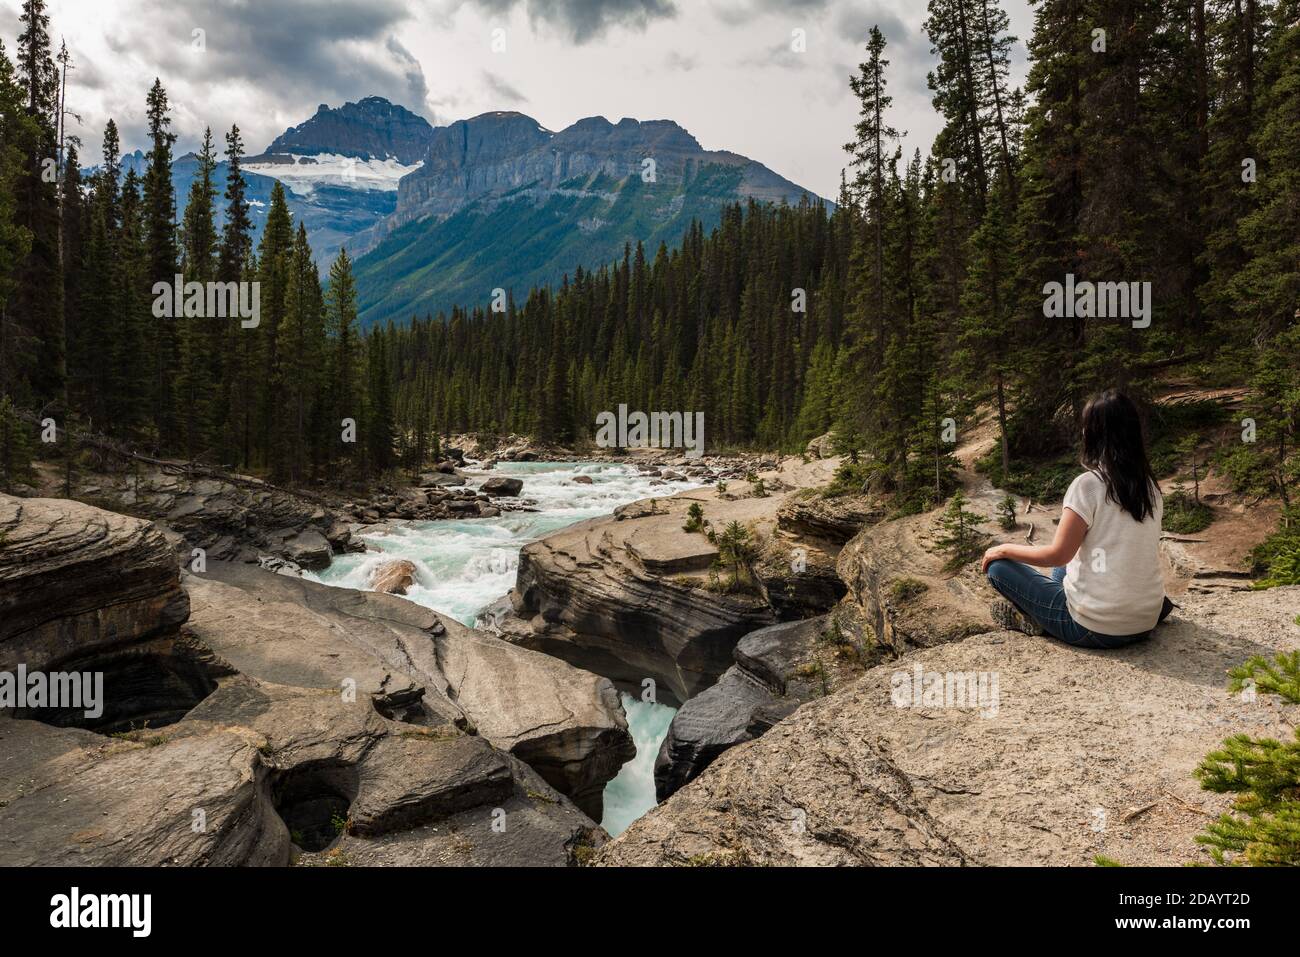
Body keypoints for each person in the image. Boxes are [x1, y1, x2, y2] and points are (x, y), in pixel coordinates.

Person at [981, 388, 1174, 648]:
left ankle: (1043, 620)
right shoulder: (1150, 486)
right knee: (1066, 568)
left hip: (1093, 629)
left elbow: (1057, 554)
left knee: (998, 569)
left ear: (1093, 434)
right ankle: (1050, 615)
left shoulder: (1088, 485)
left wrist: (1002, 549)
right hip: (1145, 620)